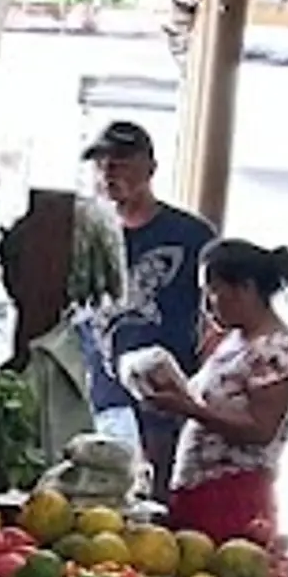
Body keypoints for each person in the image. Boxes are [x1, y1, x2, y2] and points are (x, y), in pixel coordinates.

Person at [124, 236, 288, 561]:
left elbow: (260, 429)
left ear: (245, 289)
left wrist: (188, 408)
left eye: (213, 290)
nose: (208, 303)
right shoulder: (232, 341)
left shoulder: (277, 350)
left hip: (233, 493)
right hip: (195, 488)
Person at [69, 122, 213, 482]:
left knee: (156, 500)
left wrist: (201, 393)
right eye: (100, 164)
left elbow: (217, 321)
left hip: (165, 398)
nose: (108, 172)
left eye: (119, 162)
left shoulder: (191, 236)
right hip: (99, 393)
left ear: (149, 168)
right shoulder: (85, 234)